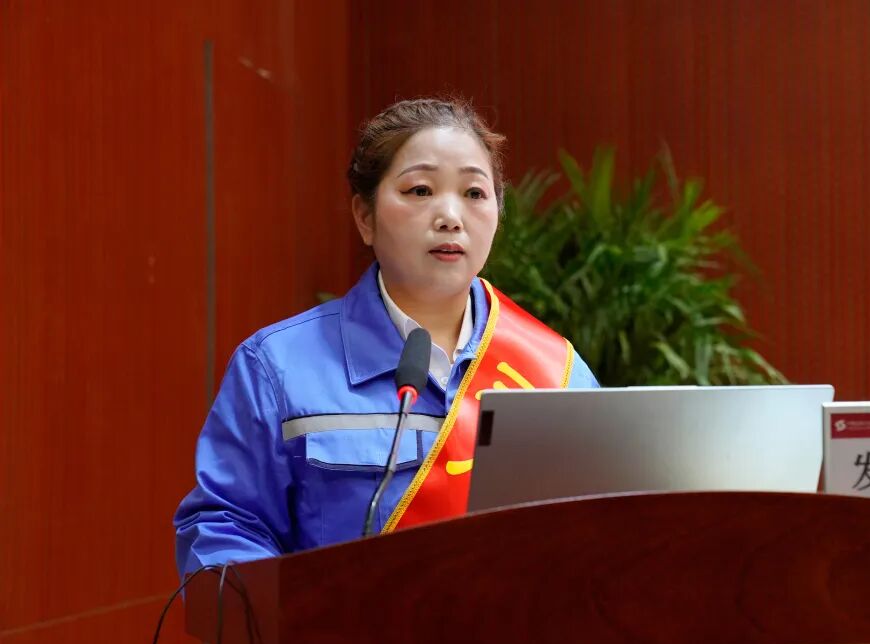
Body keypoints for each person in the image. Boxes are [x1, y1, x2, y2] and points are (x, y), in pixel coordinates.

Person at [173, 98, 600, 578]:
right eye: (420, 190)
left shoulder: (557, 371)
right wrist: (298, 612)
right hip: (344, 627)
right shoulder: (277, 368)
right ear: (365, 216)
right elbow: (226, 528)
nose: (450, 216)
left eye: (474, 193)